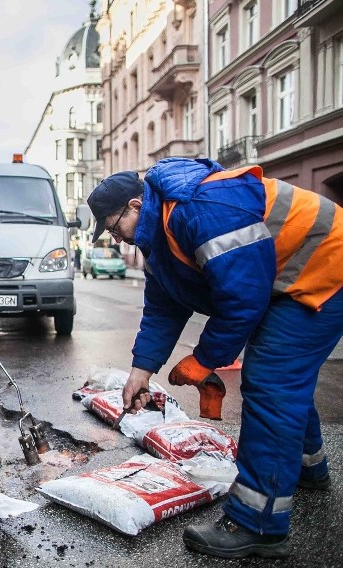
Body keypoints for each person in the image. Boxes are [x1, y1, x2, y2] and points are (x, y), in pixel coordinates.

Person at [87, 159, 342, 559]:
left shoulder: (200, 209)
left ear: (136, 206)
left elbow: (242, 300)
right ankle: (307, 469)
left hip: (325, 266)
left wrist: (204, 360)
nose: (116, 237)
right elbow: (162, 309)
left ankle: (257, 523)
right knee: (283, 379)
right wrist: (141, 371)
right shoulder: (158, 236)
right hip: (286, 277)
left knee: (271, 382)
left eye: (114, 225)